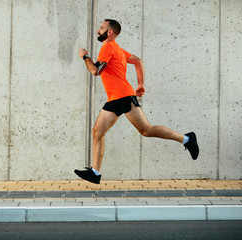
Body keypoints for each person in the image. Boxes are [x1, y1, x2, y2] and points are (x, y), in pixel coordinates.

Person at [75, 19, 199, 184]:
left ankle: (187, 139)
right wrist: (140, 84)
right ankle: (95, 172)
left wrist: (85, 56)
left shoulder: (108, 47)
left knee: (146, 130)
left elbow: (95, 70)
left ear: (109, 32)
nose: (99, 30)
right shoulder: (118, 50)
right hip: (114, 98)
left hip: (124, 96)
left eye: (102, 28)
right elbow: (138, 61)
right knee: (97, 132)